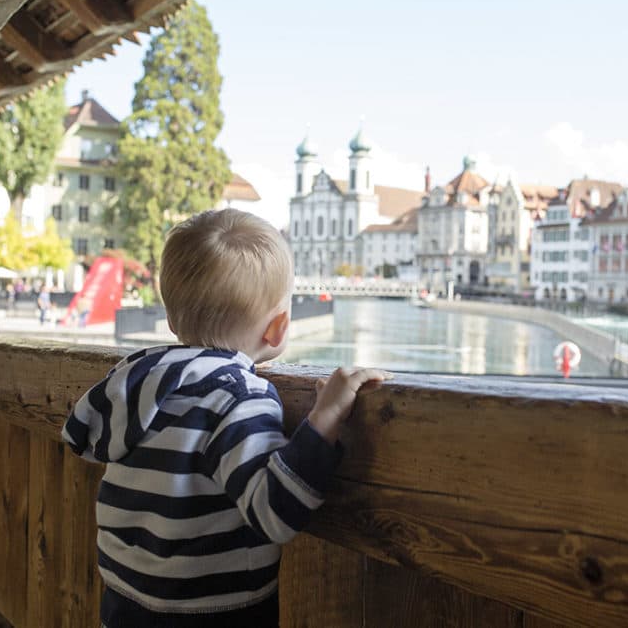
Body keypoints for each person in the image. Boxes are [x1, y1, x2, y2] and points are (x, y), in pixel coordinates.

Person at [61, 209, 388, 628]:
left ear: (173, 319)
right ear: (278, 328)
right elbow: (275, 512)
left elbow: (77, 435)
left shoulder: (133, 378)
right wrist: (325, 418)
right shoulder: (239, 395)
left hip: (126, 604)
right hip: (208, 613)